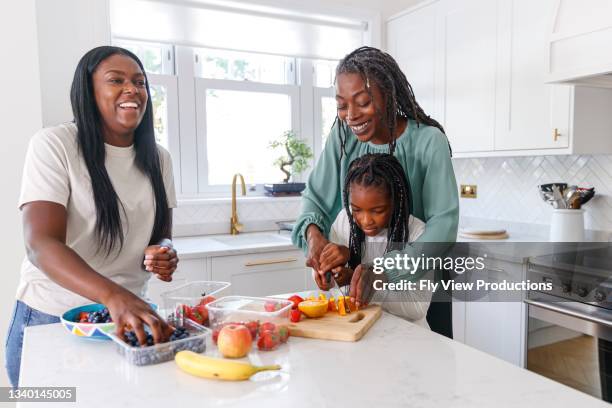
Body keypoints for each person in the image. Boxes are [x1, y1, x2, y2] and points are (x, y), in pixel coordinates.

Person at [5, 46, 178, 387]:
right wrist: (115, 295)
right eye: (116, 80)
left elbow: (161, 235)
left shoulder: (159, 158)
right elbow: (40, 244)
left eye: (140, 82)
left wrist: (163, 252)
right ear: (89, 91)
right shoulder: (54, 144)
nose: (132, 90)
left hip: (127, 321)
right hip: (51, 319)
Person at [292, 46, 458, 320]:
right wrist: (315, 239)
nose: (351, 115)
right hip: (359, 282)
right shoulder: (342, 136)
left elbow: (444, 226)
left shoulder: (429, 141)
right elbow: (315, 199)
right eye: (342, 105)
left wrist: (384, 271)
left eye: (363, 101)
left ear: (389, 95)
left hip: (418, 284)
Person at [317, 153, 433, 327]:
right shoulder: (344, 220)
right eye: (356, 209)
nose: (365, 220)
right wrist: (326, 275)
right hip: (357, 331)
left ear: (395, 201)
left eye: (377, 211)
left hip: (407, 337)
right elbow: (337, 292)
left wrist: (372, 285)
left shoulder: (419, 233)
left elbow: (417, 307)